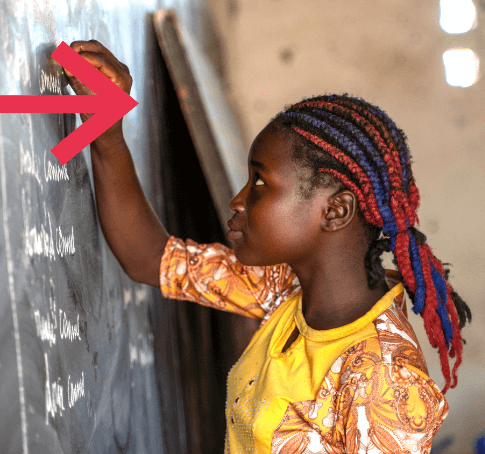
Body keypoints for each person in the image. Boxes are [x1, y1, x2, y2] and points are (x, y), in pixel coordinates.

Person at [66, 40, 472, 453]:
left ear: (335, 210)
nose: (237, 200)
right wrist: (107, 132)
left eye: (260, 182)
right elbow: (151, 258)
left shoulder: (384, 379)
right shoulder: (285, 290)